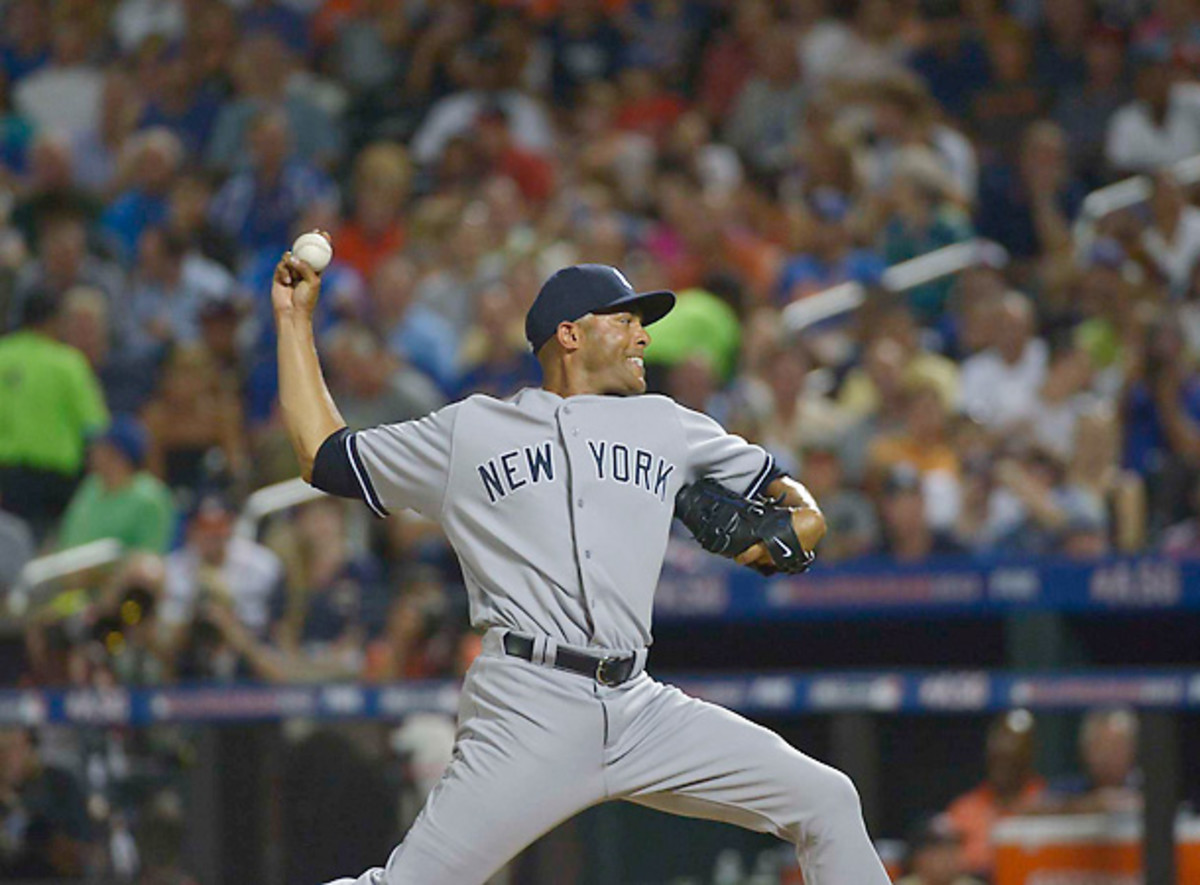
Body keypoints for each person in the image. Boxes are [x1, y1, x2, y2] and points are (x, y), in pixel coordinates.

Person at [271, 249, 890, 884]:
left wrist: (798, 525)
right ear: (570, 334)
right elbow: (324, 454)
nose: (643, 336)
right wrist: (294, 322)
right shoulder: (474, 429)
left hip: (639, 705)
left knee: (827, 801)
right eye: (624, 321)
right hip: (528, 705)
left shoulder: (668, 424)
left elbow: (789, 496)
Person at [944, 710, 1046, 880]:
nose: (1004, 767)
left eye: (1012, 759)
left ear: (1028, 757)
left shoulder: (1048, 803)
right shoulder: (964, 810)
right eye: (998, 758)